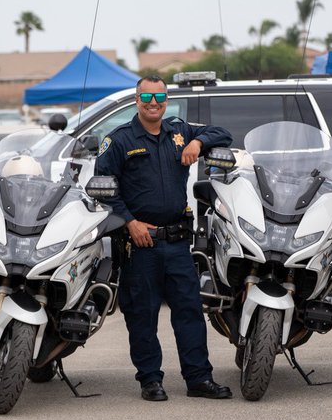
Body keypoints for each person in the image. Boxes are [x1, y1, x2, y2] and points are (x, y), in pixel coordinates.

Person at [94, 75, 233, 402]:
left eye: (159, 96)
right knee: (142, 315)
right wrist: (129, 222)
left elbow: (223, 133)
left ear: (167, 100)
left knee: (190, 312)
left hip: (177, 242)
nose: (153, 103)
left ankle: (198, 379)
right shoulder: (120, 140)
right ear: (137, 100)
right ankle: (150, 380)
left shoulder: (179, 132)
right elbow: (103, 188)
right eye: (146, 97)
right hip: (140, 244)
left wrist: (198, 143)